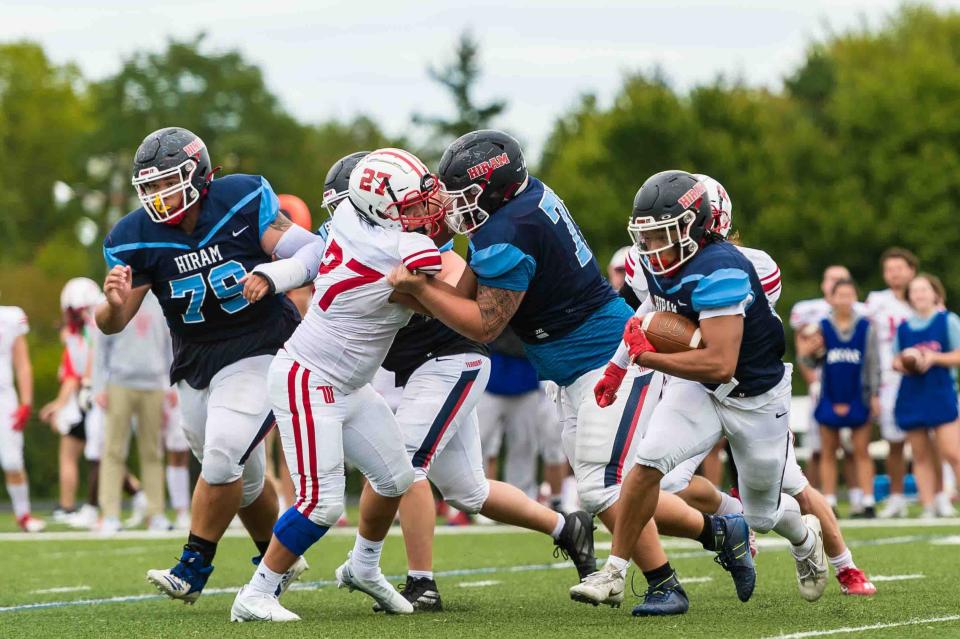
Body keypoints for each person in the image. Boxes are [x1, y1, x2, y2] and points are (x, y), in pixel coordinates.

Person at [389, 131, 756, 617]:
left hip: (605, 359)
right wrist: (420, 292)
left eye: (465, 195)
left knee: (600, 486)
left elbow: (485, 322)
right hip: (567, 367)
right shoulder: (517, 203)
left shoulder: (508, 230)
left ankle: (665, 583)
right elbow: (466, 290)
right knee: (609, 487)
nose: (456, 206)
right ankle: (719, 531)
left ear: (494, 188)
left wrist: (418, 289)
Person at [575, 170, 829, 614]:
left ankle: (806, 536)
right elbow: (650, 315)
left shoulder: (721, 269)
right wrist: (616, 371)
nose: (651, 246)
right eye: (645, 235)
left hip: (754, 397)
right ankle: (613, 572)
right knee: (648, 462)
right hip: (701, 388)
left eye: (661, 234)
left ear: (695, 224)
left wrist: (646, 360)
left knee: (761, 517)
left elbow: (720, 361)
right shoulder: (658, 262)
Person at [615, 174, 874, 598]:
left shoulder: (749, 265)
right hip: (693, 382)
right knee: (662, 474)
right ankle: (732, 517)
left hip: (749, 389)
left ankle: (845, 565)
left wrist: (666, 350)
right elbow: (649, 313)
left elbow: (734, 340)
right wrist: (623, 361)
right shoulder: (648, 259)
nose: (658, 243)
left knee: (789, 489)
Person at [97, 127, 314, 604]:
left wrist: (275, 274)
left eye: (166, 182)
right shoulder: (135, 235)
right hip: (196, 359)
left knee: (223, 454)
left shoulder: (239, 198)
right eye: (149, 187)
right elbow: (112, 322)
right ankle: (278, 556)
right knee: (246, 474)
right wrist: (112, 303)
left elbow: (313, 250)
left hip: (261, 342)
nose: (157, 196)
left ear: (196, 174)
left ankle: (193, 565)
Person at [229, 148, 447, 621]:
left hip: (350, 383)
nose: (426, 210)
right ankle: (256, 593)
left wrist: (273, 275)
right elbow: (432, 261)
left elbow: (313, 253)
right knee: (322, 503)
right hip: (309, 378)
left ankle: (364, 568)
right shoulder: (393, 246)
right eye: (411, 204)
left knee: (395, 478)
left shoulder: (351, 216)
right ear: (377, 205)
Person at [93, 290, 173, 533]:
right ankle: (110, 515)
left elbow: (170, 344)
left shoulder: (162, 300)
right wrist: (99, 386)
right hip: (119, 382)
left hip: (153, 384)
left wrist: (171, 384)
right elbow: (99, 347)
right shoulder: (111, 299)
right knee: (114, 450)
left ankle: (156, 514)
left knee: (153, 452)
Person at [791, 266, 866, 508]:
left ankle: (861, 499)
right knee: (822, 448)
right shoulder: (815, 317)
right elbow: (803, 352)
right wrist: (811, 376)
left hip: (856, 388)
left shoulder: (864, 318)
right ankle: (823, 499)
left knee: (856, 449)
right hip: (825, 388)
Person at [41, 278, 106, 527]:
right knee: (101, 453)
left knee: (82, 454)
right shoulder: (88, 329)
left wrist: (58, 405)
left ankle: (69, 505)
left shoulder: (84, 332)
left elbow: (74, 375)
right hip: (90, 396)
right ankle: (139, 495)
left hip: (88, 398)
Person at [893, 273, 960, 518]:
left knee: (953, 453)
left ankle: (946, 498)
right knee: (920, 454)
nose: (919, 295)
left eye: (924, 290)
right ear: (909, 297)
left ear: (935, 293)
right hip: (912, 393)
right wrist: (904, 363)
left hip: (940, 392)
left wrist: (933, 358)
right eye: (915, 291)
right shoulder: (904, 327)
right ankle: (929, 504)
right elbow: (895, 359)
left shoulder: (947, 321)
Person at [813, 279, 880, 518]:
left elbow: (873, 362)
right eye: (839, 295)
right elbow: (812, 361)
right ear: (832, 298)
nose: (844, 299)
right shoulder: (821, 327)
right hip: (830, 394)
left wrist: (874, 394)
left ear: (855, 297)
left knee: (861, 450)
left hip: (857, 394)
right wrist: (812, 348)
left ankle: (868, 502)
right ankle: (829, 502)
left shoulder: (865, 327)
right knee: (829, 451)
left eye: (849, 294)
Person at [866, 248, 919, 518]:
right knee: (894, 442)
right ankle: (897, 497)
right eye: (889, 269)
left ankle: (937, 495)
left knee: (926, 441)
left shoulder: (923, 296)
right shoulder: (877, 301)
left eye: (900, 268)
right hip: (888, 379)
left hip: (921, 379)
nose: (895, 273)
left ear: (912, 270)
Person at [0, 304, 43, 532]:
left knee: (12, 461)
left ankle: (23, 514)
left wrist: (26, 402)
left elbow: (22, 364)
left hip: (4, 396)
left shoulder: (10, 317)